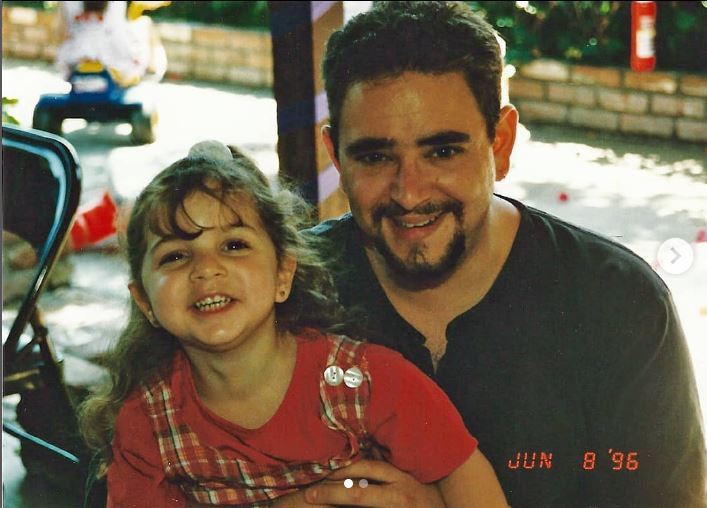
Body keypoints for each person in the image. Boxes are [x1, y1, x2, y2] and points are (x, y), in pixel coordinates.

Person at [305, 2, 707, 507]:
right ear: (335, 155)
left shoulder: (619, 302)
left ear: (501, 142)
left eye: (443, 152)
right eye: (376, 157)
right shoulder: (288, 289)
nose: (408, 193)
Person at [77, 141, 507, 507]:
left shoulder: (367, 383)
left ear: (283, 274)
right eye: (174, 255)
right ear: (145, 302)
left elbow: (469, 483)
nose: (205, 269)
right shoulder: (148, 419)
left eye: (233, 244)